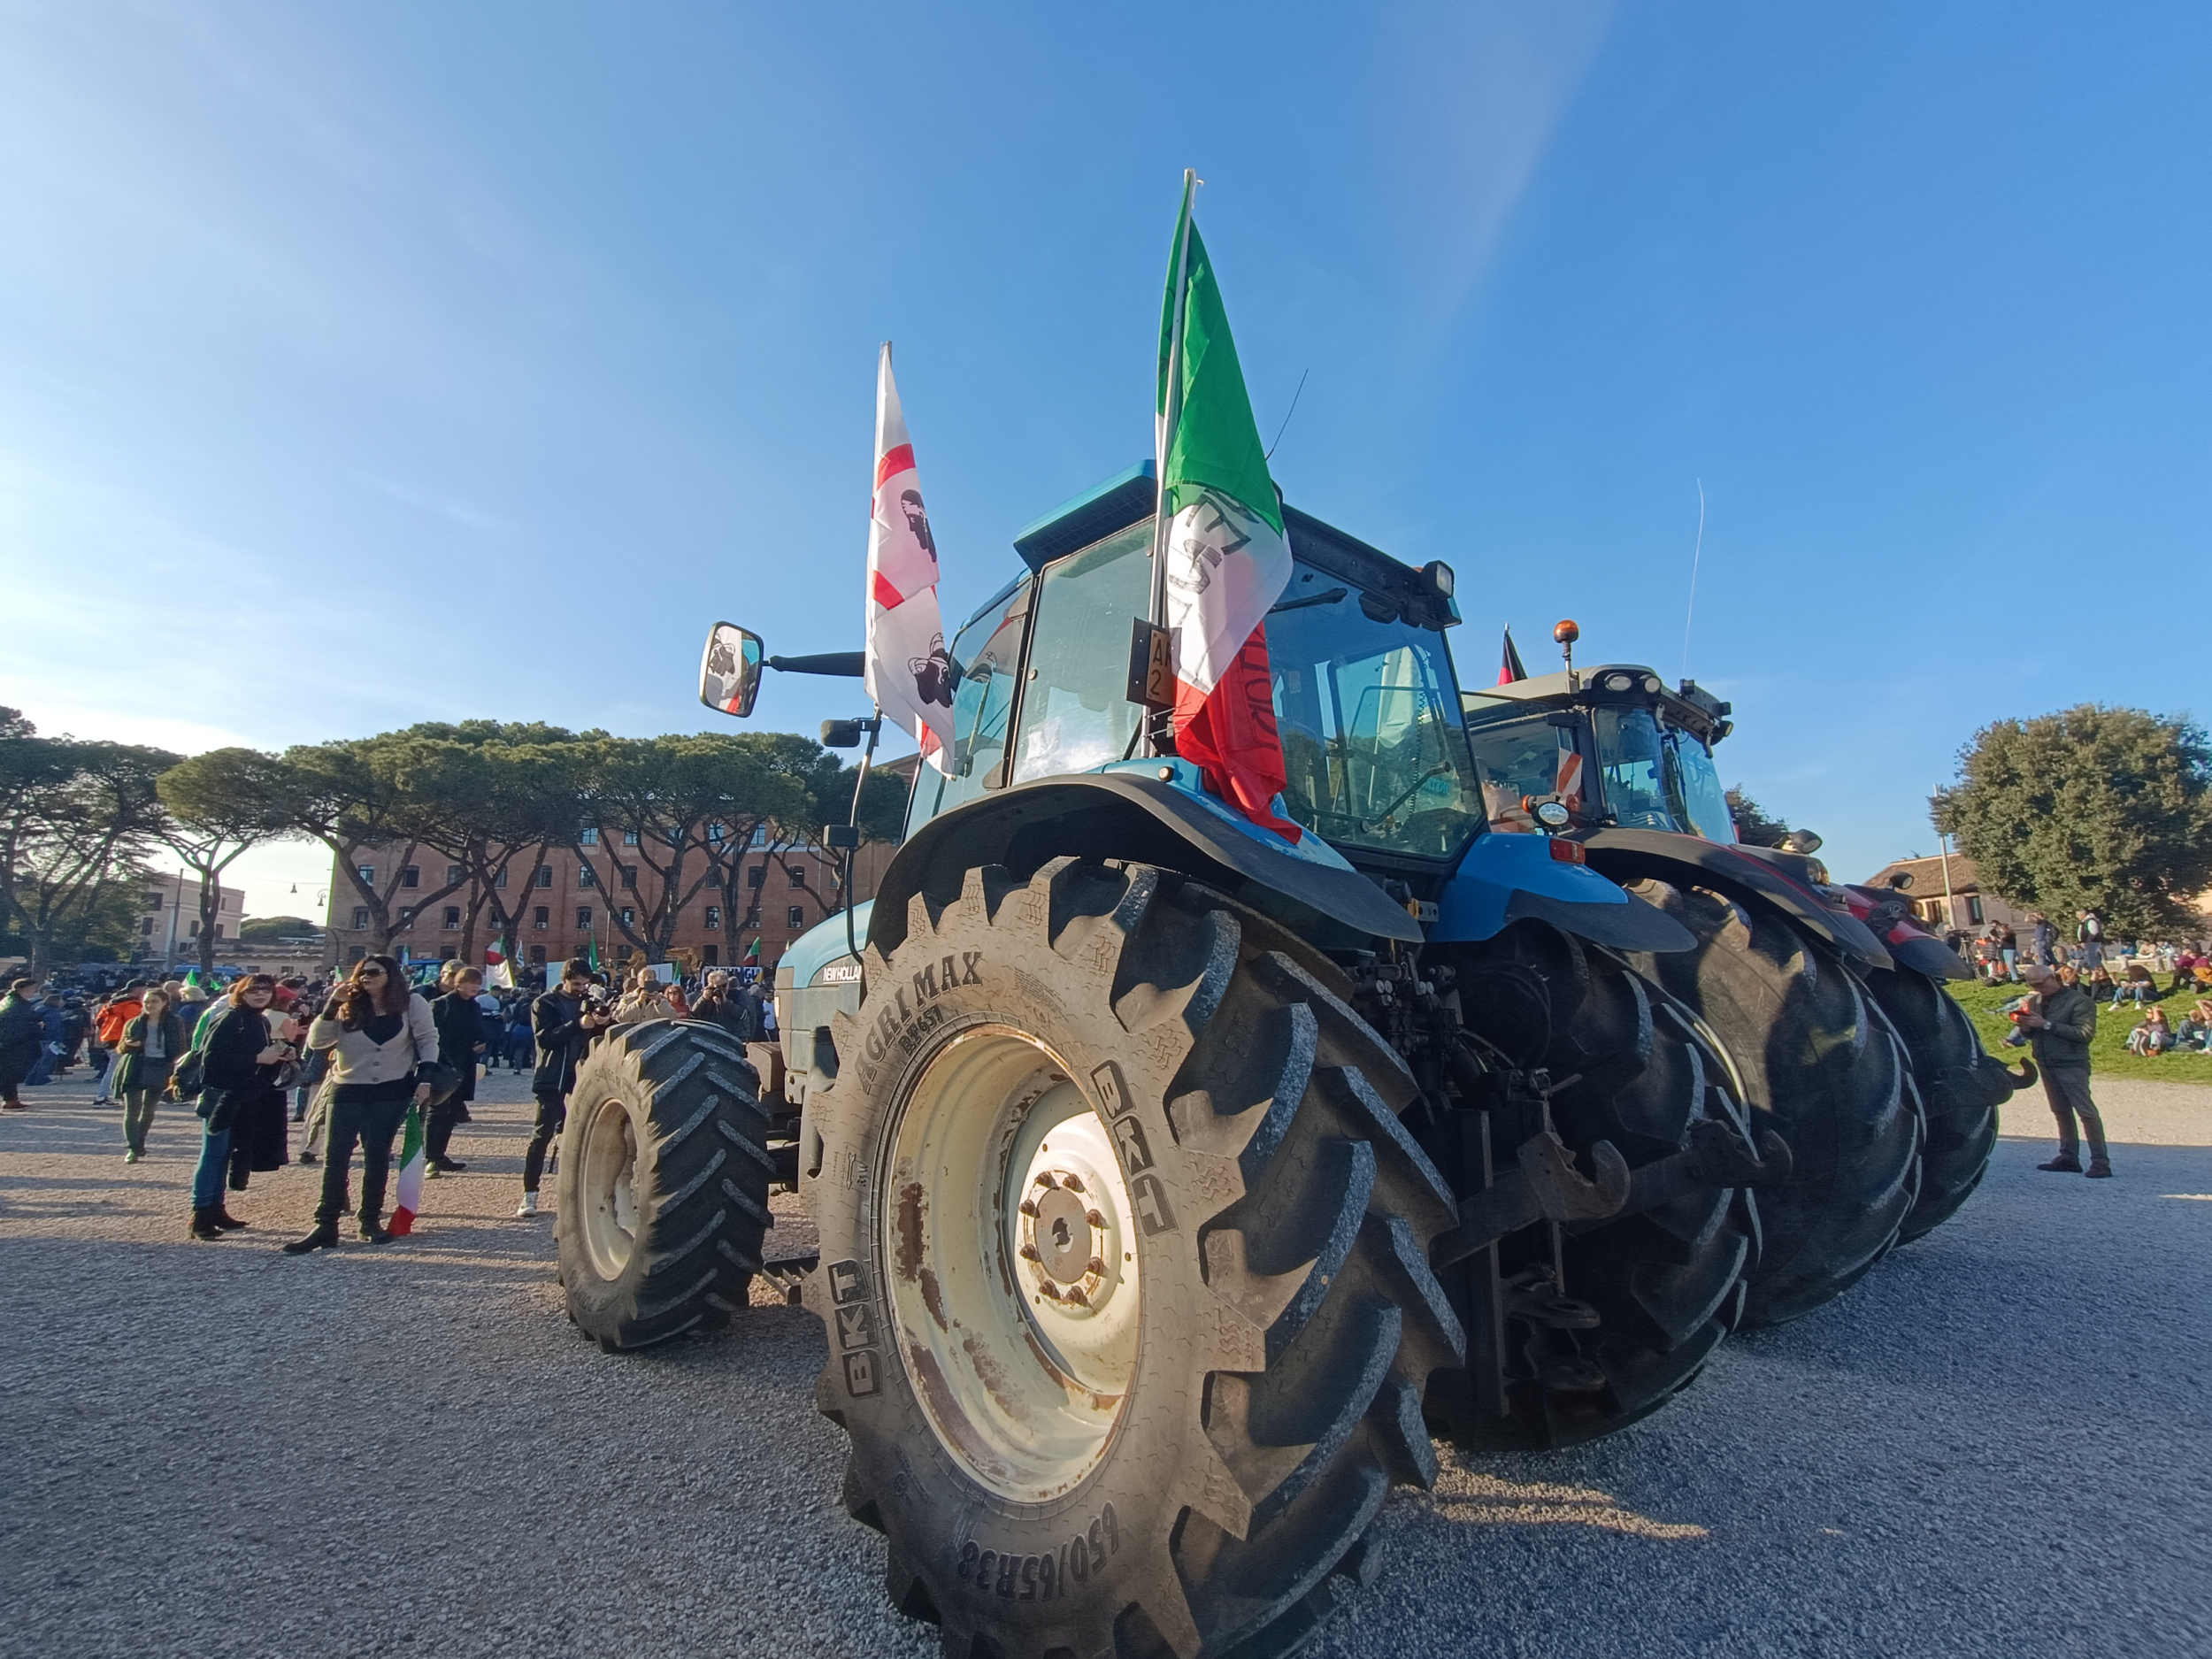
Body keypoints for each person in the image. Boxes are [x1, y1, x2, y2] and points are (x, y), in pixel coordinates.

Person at [287, 955, 437, 1254]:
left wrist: (426, 1076)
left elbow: (427, 1039)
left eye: (373, 972)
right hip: (348, 1086)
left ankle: (369, 1220)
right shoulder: (348, 1004)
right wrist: (331, 1006)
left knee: (377, 1154)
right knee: (336, 1155)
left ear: (390, 975)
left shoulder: (411, 1004)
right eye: (361, 973)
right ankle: (325, 1223)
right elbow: (317, 1042)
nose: (365, 977)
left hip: (392, 1087)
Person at [188, 975, 296, 1240]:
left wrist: (279, 1054)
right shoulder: (230, 1019)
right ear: (241, 992)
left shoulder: (259, 1020)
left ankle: (215, 1208)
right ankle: (200, 1214)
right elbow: (210, 1060)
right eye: (254, 990)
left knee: (225, 1154)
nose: (260, 994)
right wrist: (258, 1057)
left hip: (242, 1095)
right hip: (220, 1095)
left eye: (266, 990)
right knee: (213, 1154)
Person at [518, 958, 613, 1218]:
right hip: (552, 1077)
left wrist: (604, 1019)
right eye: (576, 984)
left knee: (586, 1137)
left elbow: (601, 1035)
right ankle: (530, 1194)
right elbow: (544, 1039)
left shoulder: (588, 1000)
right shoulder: (545, 1003)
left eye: (585, 984)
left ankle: (583, 1198)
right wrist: (576, 1025)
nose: (580, 988)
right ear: (564, 980)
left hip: (582, 1075)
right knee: (542, 1135)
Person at [2016, 959, 2110, 1179]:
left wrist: (2046, 1025)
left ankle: (2100, 1162)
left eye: (2040, 983)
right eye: (2033, 985)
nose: (2037, 989)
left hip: (2071, 1064)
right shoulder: (2034, 1001)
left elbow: (2084, 1034)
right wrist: (2026, 1028)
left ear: (2054, 978)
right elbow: (2033, 1034)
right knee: (2060, 1112)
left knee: (2086, 1113)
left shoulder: (2080, 1002)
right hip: (2046, 1063)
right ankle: (2068, 1156)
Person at [427, 965, 489, 1175]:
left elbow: (479, 1031)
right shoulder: (441, 1005)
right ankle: (431, 1158)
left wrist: (481, 1042)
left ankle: (440, 1154)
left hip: (465, 1064)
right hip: (443, 1064)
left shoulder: (474, 1006)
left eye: (477, 983)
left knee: (452, 1113)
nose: (475, 987)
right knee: (437, 1111)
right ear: (459, 983)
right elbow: (432, 1037)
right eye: (470, 982)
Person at [114, 987, 187, 1162]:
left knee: (148, 1110)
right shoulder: (134, 1022)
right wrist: (129, 1045)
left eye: (154, 1001)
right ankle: (133, 1148)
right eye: (146, 1001)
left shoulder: (174, 1022)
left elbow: (180, 1048)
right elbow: (120, 1048)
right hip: (135, 1066)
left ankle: (140, 1141)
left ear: (164, 1003)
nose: (149, 1005)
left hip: (160, 1067)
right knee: (132, 1111)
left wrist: (176, 1071)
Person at [0, 977, 43, 1110]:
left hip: (12, 1042)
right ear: (22, 989)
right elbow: (16, 1026)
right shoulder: (15, 1004)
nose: (34, 991)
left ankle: (11, 1099)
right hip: (12, 1044)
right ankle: (10, 1099)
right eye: (32, 988)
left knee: (10, 1073)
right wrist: (36, 1027)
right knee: (7, 1072)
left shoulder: (10, 1001)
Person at [691, 970, 757, 1041]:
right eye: (718, 987)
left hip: (734, 1036)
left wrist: (726, 1002)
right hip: (711, 1036)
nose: (722, 989)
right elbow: (693, 1015)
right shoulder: (706, 996)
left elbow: (744, 1015)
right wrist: (703, 999)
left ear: (728, 983)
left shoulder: (738, 994)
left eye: (724, 985)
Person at [613, 966, 677, 1023]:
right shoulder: (628, 998)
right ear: (638, 981)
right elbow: (620, 1018)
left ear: (654, 980)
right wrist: (638, 1003)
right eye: (643, 977)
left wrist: (659, 1003)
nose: (646, 979)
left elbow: (672, 1017)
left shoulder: (661, 999)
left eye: (650, 977)